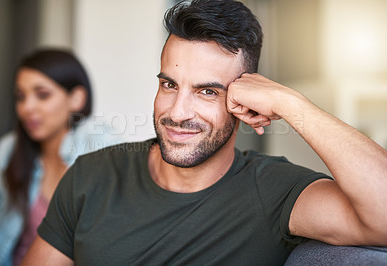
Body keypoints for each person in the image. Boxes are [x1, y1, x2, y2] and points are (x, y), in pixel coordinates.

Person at [23, 0, 387, 265]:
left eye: (207, 91)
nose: (177, 112)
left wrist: (292, 103)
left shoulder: (273, 192)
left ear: (245, 99)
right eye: (169, 85)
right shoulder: (91, 175)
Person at [0, 49, 121, 266]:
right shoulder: (9, 149)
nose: (27, 108)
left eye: (42, 94)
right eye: (20, 96)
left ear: (76, 98)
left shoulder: (94, 141)